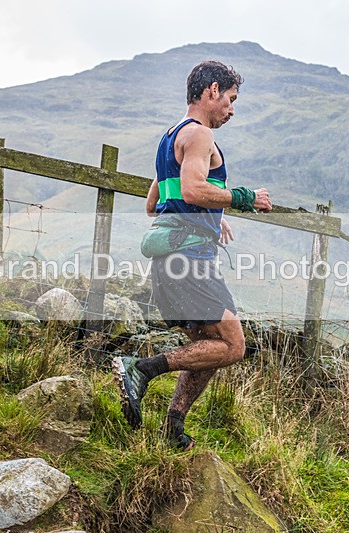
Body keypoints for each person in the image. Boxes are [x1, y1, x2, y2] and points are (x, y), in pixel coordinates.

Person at [113, 60, 272, 450]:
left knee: (208, 346)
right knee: (233, 346)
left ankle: (174, 426)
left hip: (168, 260)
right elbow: (192, 191)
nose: (232, 110)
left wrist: (209, 220)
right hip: (190, 262)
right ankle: (142, 368)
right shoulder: (200, 135)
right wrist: (245, 198)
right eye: (231, 100)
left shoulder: (171, 138)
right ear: (212, 90)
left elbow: (156, 203)